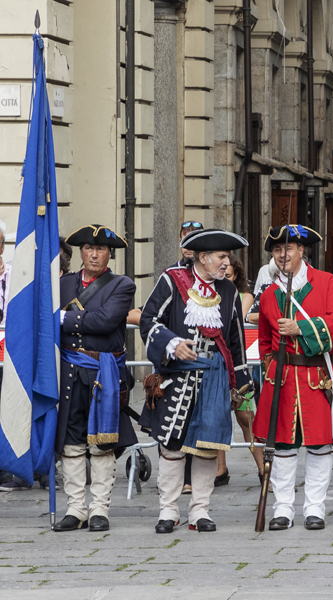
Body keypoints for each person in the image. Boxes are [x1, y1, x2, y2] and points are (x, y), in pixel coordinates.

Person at [139, 229, 253, 534]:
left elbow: (235, 339)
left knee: (207, 446)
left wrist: (242, 382)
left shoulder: (228, 291)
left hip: (214, 376)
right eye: (221, 257)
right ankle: (168, 511)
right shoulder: (172, 280)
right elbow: (149, 320)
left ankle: (200, 510)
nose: (227, 263)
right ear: (203, 258)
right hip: (178, 374)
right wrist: (171, 343)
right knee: (172, 444)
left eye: (227, 257)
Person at [253, 225, 333, 531]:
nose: (283, 255)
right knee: (283, 447)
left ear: (301, 252)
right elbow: (267, 341)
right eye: (278, 250)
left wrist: (301, 329)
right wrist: (270, 368)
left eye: (289, 249)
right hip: (281, 380)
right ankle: (283, 508)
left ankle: (315, 508)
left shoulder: (327, 282)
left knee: (320, 446)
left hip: (315, 376)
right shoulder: (269, 294)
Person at [51, 225, 136, 532]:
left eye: (100, 249)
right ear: (81, 253)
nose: (94, 254)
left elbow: (106, 321)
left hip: (104, 373)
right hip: (70, 372)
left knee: (103, 444)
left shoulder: (122, 285)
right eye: (88, 248)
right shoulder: (62, 283)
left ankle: (99, 508)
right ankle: (76, 509)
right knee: (70, 443)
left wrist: (63, 318)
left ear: (109, 253)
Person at [219, 256, 263, 485]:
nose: (224, 277)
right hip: (217, 361)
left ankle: (263, 468)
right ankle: (220, 470)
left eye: (228, 274)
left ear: (236, 276)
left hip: (237, 362)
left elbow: (234, 317)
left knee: (246, 417)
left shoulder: (243, 295)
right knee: (215, 417)